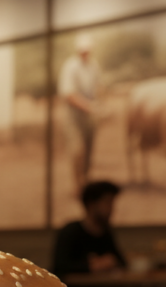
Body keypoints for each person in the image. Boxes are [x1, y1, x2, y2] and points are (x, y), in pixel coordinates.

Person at [52, 180, 126, 287]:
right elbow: (59, 266)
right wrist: (91, 266)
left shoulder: (106, 233)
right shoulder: (71, 231)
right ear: (92, 204)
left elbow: (121, 261)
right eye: (108, 203)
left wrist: (111, 261)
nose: (112, 209)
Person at [58, 33, 103, 191]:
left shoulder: (94, 66)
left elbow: (98, 86)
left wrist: (99, 103)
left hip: (89, 115)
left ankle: (85, 182)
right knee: (78, 151)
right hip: (74, 116)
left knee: (89, 152)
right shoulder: (70, 66)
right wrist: (89, 107)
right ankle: (77, 185)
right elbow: (69, 94)